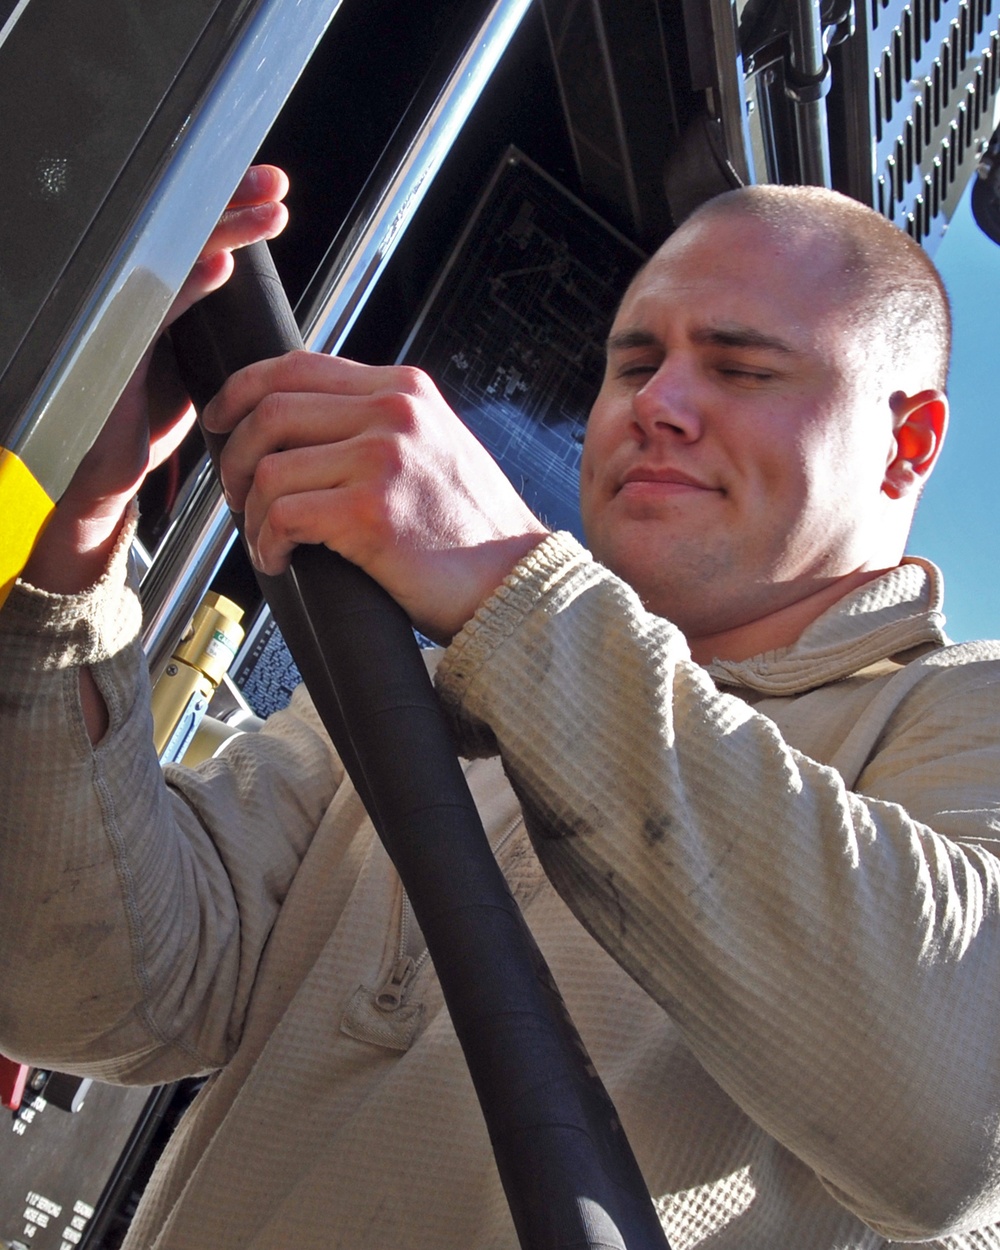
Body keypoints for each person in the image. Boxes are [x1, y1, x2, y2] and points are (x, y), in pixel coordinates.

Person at [1, 165, 999, 1250]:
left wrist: (514, 586)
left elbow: (951, 1118)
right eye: (633, 364)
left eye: (740, 366)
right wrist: (77, 548)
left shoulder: (955, 714)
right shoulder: (429, 688)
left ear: (909, 442)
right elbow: (91, 995)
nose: (655, 405)